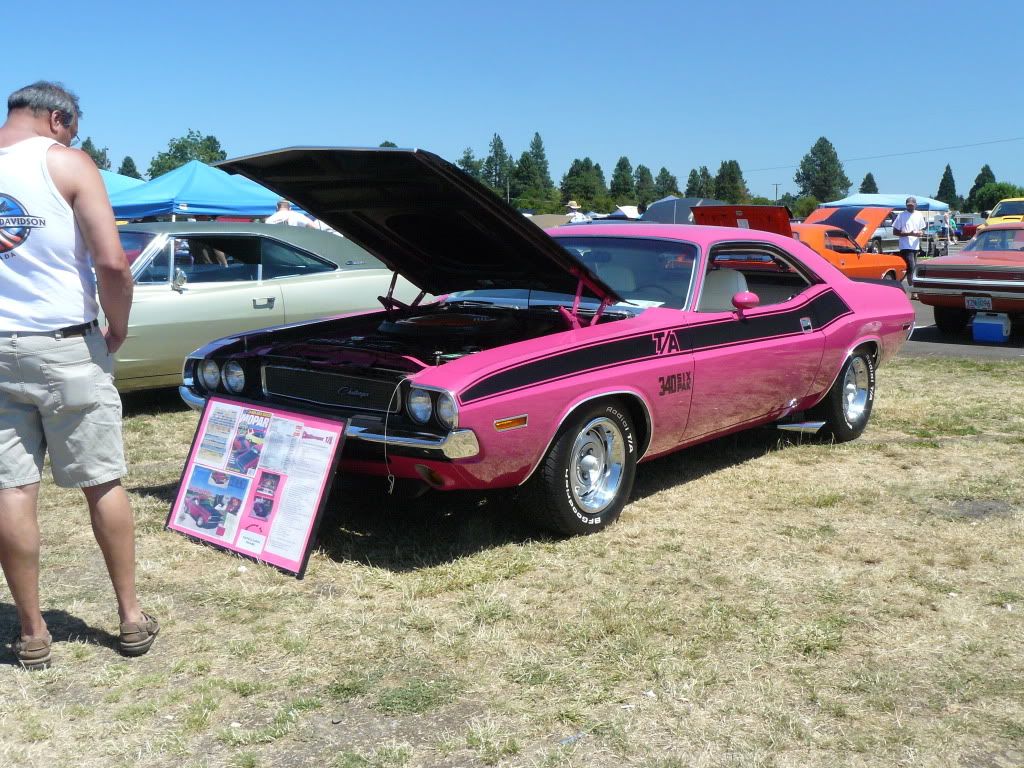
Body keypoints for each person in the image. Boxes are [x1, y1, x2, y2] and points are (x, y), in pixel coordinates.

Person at [0, 81, 159, 670]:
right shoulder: (65, 162)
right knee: (102, 479)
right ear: (58, 118)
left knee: (10, 489)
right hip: (63, 345)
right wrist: (116, 327)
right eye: (74, 127)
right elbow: (112, 262)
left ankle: (33, 632)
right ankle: (130, 617)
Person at [892, 196, 926, 286]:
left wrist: (921, 233)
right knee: (912, 267)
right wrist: (909, 234)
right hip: (905, 246)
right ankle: (913, 290)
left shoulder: (919, 214)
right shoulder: (901, 215)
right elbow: (895, 232)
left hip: (915, 245)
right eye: (908, 205)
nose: (910, 207)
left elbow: (922, 229)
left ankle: (896, 284)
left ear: (916, 205)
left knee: (909, 268)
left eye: (911, 205)